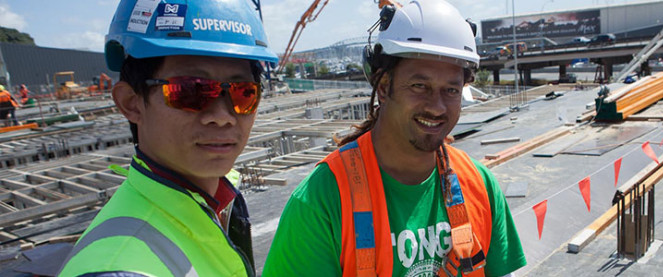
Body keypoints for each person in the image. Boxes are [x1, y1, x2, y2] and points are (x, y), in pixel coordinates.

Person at [263, 0, 527, 276]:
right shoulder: (322, 201)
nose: (436, 107)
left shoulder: (480, 186)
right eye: (419, 86)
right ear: (384, 86)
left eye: (450, 90)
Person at [58, 0, 277, 276]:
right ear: (131, 103)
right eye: (191, 91)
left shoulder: (220, 200)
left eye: (243, 92)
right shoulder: (120, 269)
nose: (222, 116)